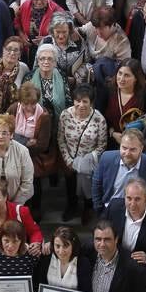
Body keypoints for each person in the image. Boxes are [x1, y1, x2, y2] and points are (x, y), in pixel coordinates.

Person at [57, 84, 108, 222]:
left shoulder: (99, 119)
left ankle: (87, 209)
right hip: (70, 160)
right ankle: (72, 207)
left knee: (88, 190)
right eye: (77, 101)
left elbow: (102, 145)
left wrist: (89, 159)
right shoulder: (65, 115)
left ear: (91, 102)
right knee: (70, 186)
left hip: (89, 162)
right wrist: (68, 160)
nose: (81, 104)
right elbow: (60, 139)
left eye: (85, 101)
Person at [5, 81, 55, 217]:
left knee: (34, 182)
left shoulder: (43, 115)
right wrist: (26, 142)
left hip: (33, 156)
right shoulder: (13, 109)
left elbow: (42, 145)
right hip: (12, 154)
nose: (29, 107)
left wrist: (17, 141)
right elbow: (5, 132)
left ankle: (35, 210)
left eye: (32, 104)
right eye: (26, 104)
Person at [93, 130, 146, 213]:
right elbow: (97, 183)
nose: (127, 153)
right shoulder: (106, 158)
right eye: (124, 148)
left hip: (139, 215)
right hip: (109, 212)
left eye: (132, 150)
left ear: (141, 148)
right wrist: (99, 209)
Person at [103, 59, 146, 142]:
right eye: (120, 73)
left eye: (127, 75)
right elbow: (100, 116)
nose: (121, 79)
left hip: (139, 143)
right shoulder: (108, 89)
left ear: (136, 78)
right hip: (112, 140)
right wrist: (113, 133)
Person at [77, 6, 131, 101]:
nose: (98, 32)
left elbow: (124, 68)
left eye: (102, 28)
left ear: (112, 24)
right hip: (86, 75)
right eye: (96, 28)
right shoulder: (92, 27)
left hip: (105, 82)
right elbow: (77, 33)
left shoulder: (121, 41)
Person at [14, 0, 62, 64]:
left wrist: (46, 39)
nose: (39, 2)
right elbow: (17, 23)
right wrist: (22, 36)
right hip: (28, 50)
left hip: (48, 53)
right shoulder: (25, 6)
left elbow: (63, 34)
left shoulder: (57, 11)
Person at [37, 12, 86, 93]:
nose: (61, 36)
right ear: (52, 30)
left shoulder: (78, 41)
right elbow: (37, 67)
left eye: (64, 32)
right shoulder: (46, 42)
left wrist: (76, 78)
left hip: (76, 85)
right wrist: (63, 79)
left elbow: (86, 60)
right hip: (51, 85)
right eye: (58, 32)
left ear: (69, 30)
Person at [26, 43, 70, 119]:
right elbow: (24, 101)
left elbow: (68, 100)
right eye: (42, 58)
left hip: (59, 120)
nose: (46, 62)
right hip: (34, 120)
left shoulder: (61, 75)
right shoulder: (29, 77)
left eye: (50, 59)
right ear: (38, 61)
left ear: (55, 62)